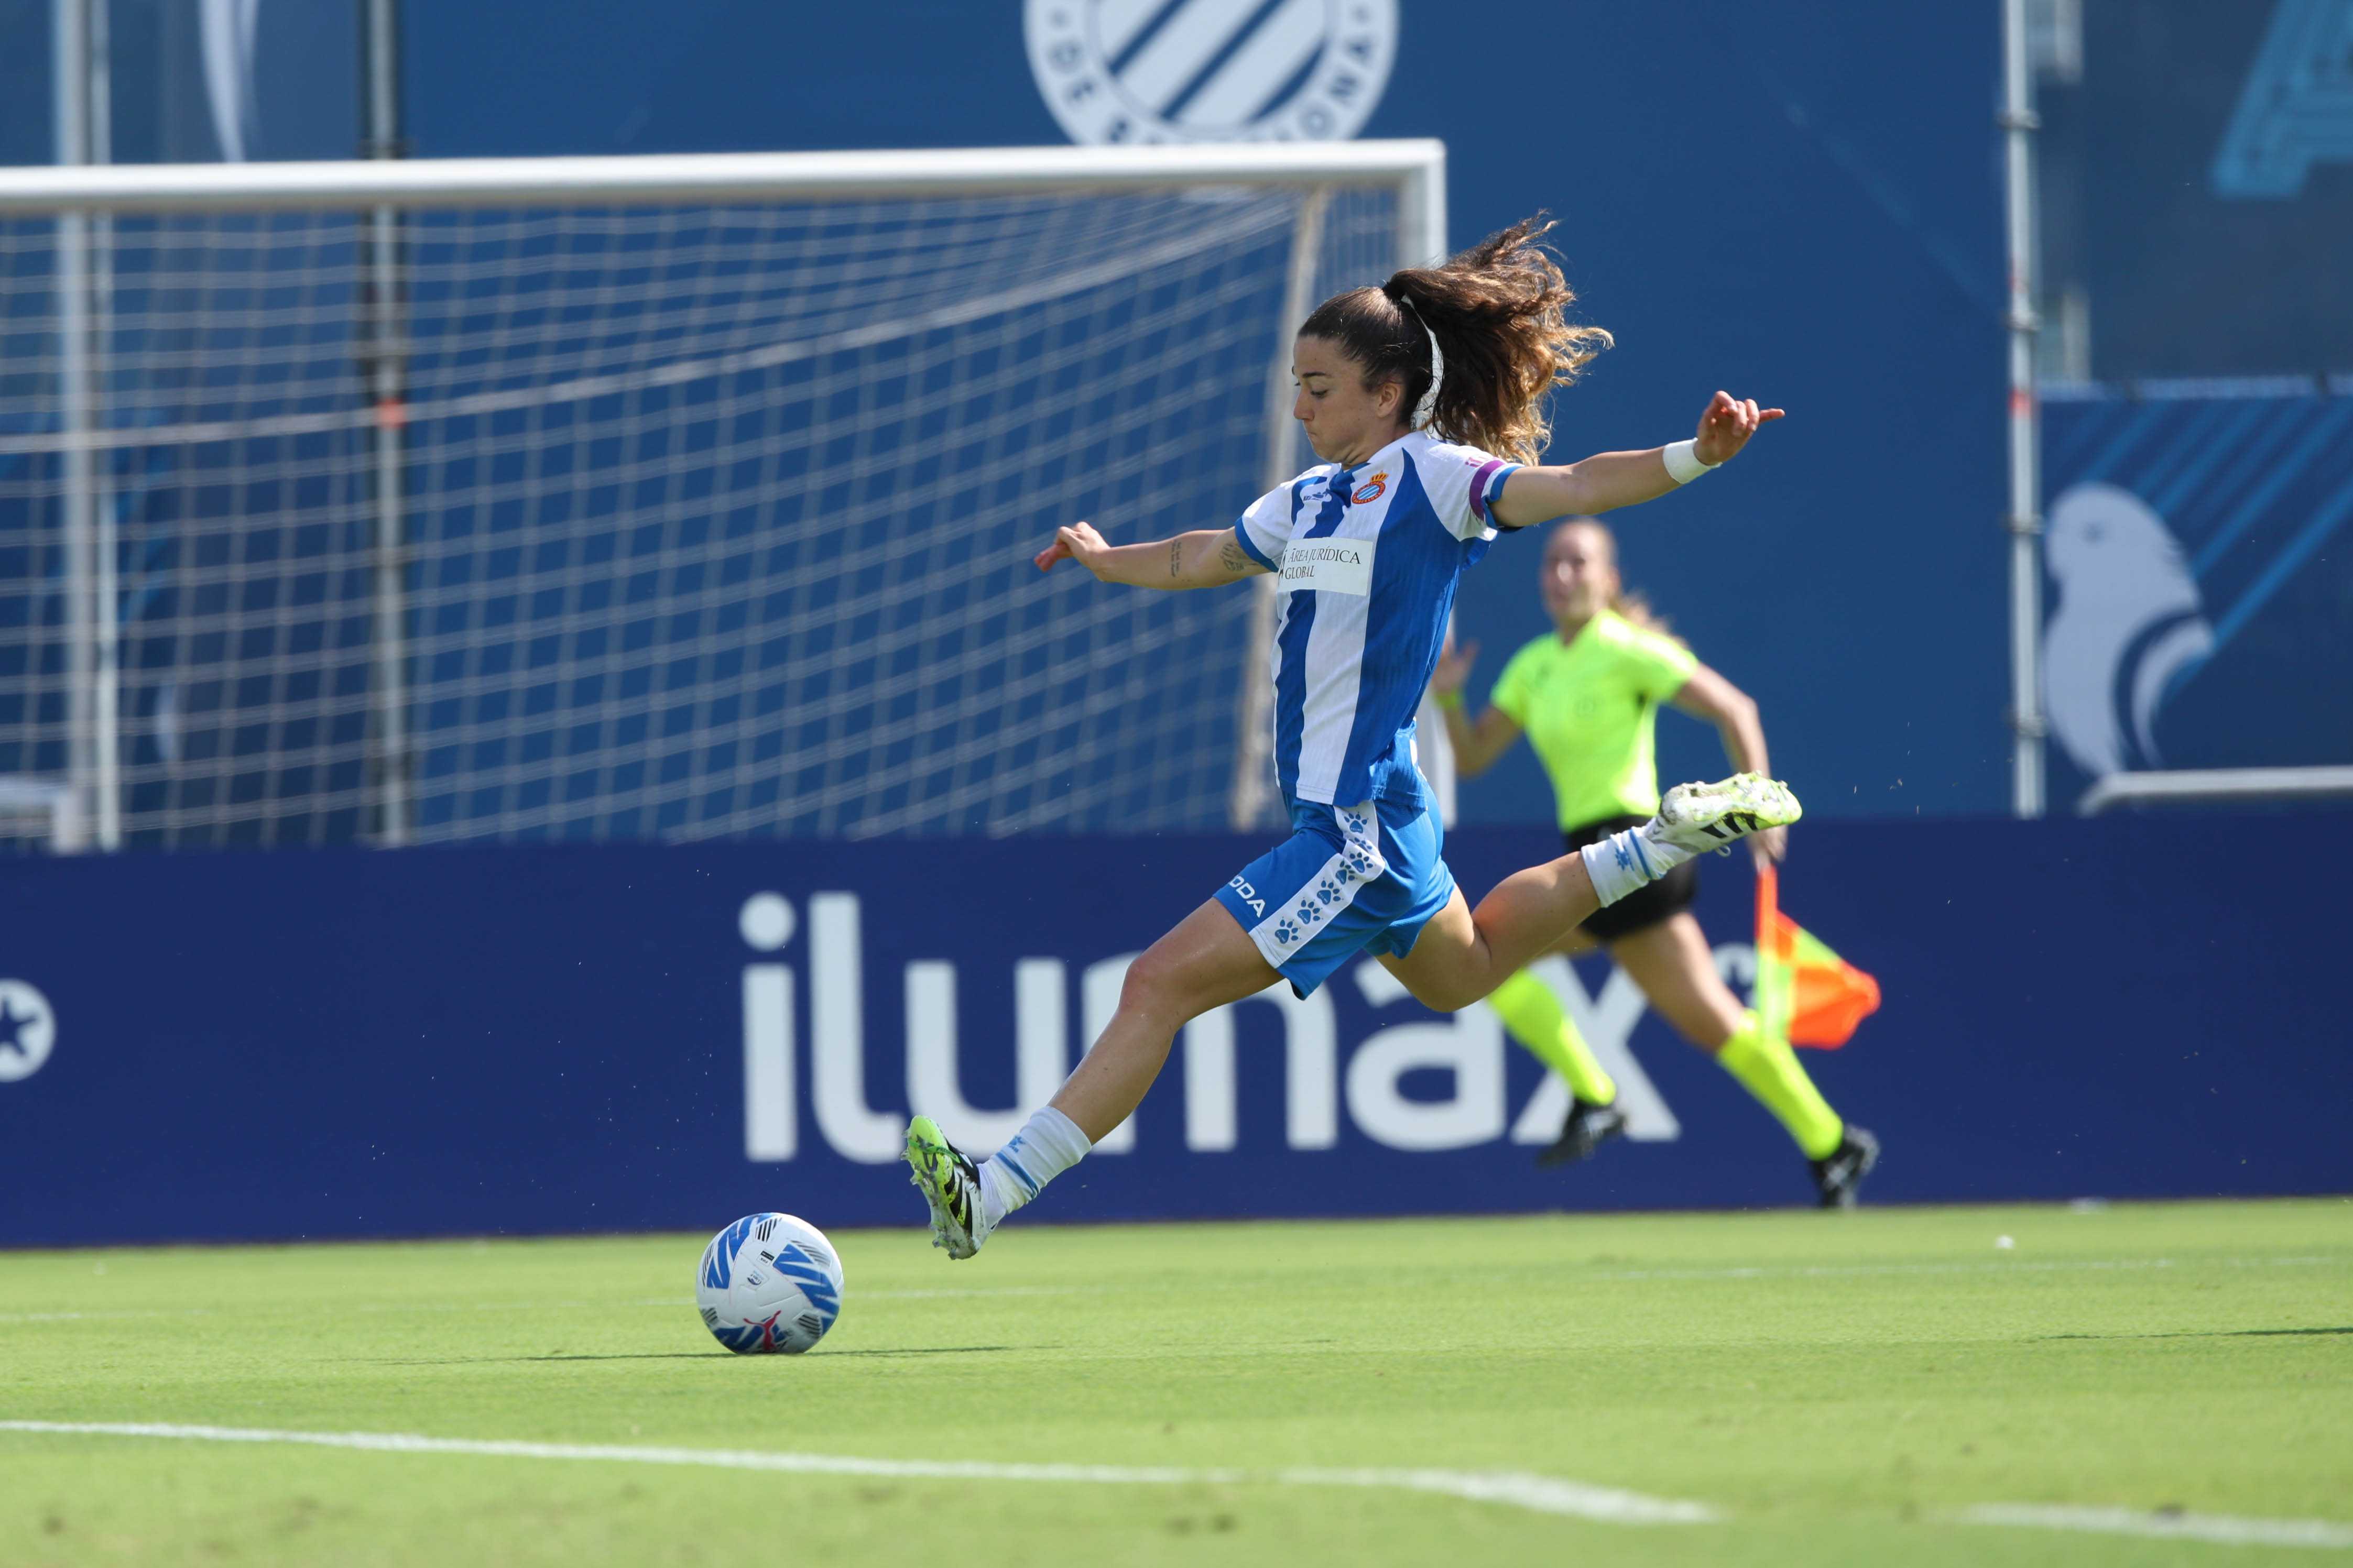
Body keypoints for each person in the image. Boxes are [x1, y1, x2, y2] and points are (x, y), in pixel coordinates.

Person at [904, 217, 1799, 1259]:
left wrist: (1699, 455)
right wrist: (1108, 559)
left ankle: (991, 1191)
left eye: (1318, 387)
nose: (1298, 406)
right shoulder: (1312, 498)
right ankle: (1664, 840)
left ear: (1384, 393)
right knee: (1467, 974)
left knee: (1157, 984)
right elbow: (1203, 557)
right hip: (1387, 808)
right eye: (1296, 384)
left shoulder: (1440, 480)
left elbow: (1584, 486)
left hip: (1353, 828)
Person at [1430, 519, 1879, 1205]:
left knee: (1480, 952)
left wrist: (1754, 802)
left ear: (1608, 581)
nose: (1561, 575)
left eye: (1578, 563)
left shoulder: (1628, 649)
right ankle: (1831, 1144)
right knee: (1710, 1020)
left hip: (1642, 842)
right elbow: (1472, 758)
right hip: (1596, 855)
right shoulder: (1532, 665)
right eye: (1551, 562)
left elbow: (1736, 708)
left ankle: (1594, 1095)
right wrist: (1451, 698)